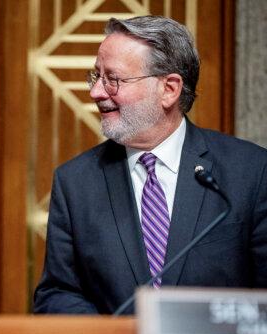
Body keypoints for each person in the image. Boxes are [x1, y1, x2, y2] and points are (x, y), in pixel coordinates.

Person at [34, 15, 267, 315]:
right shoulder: (75, 183)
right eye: (96, 77)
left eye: (113, 79)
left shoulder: (251, 172)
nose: (96, 92)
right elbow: (56, 294)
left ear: (169, 89)